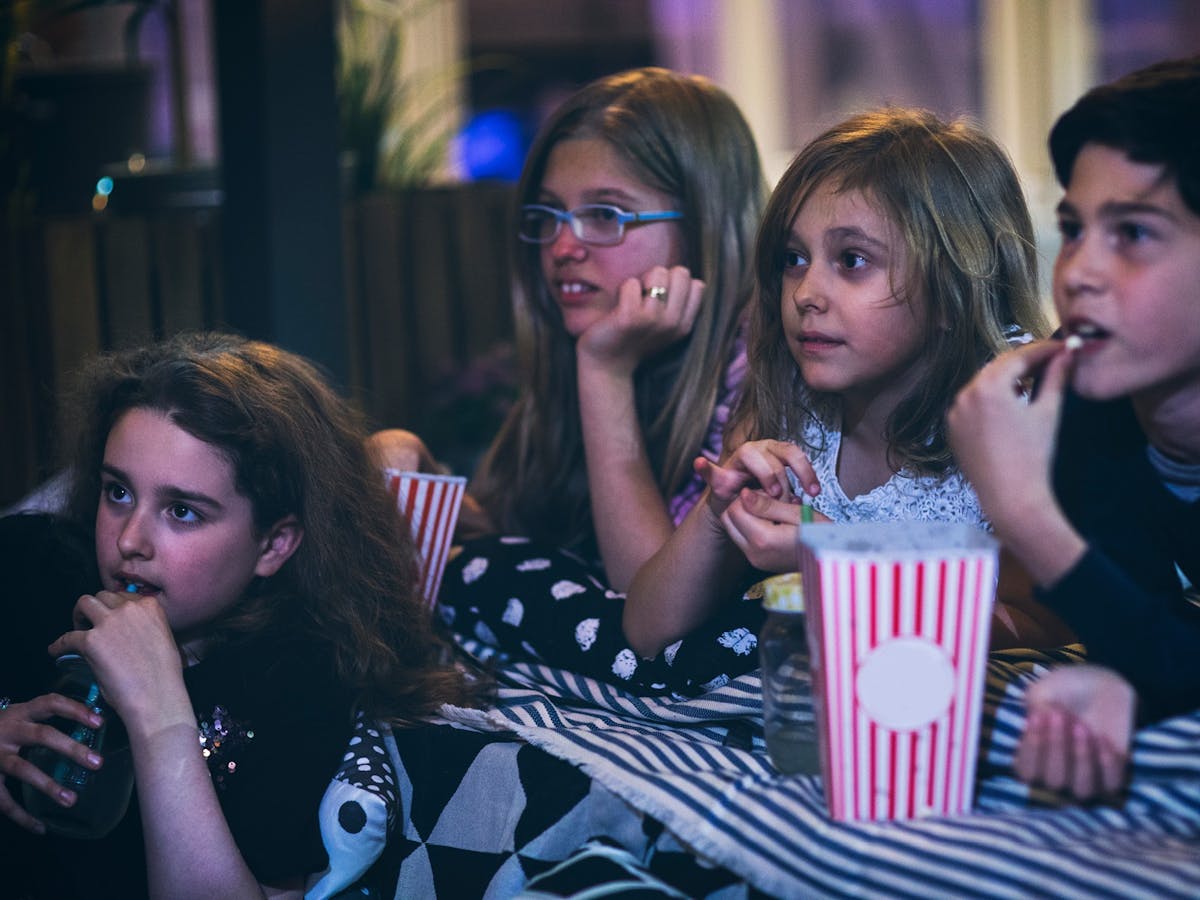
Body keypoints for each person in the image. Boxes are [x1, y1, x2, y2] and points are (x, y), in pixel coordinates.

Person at [0, 332, 486, 899]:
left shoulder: (300, 682)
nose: (130, 541)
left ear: (274, 545)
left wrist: (160, 713)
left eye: (182, 511)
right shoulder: (32, 567)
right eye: (118, 492)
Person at [622, 107, 1055, 667]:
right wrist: (716, 511)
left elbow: (1042, 624)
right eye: (793, 259)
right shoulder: (788, 408)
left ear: (955, 289)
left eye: (852, 260)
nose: (806, 292)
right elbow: (647, 632)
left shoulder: (1017, 413)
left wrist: (841, 559)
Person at [370, 69, 765, 675]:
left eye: (607, 214)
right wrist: (427, 477)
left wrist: (605, 372)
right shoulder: (583, 341)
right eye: (550, 215)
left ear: (705, 227)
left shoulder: (761, 372)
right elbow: (540, 537)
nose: (562, 247)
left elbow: (647, 601)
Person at [948, 55, 1200, 801]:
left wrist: (1026, 514)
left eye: (1133, 233)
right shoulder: (1081, 412)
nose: (1078, 270)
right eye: (1073, 227)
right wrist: (1131, 689)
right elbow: (1158, 641)